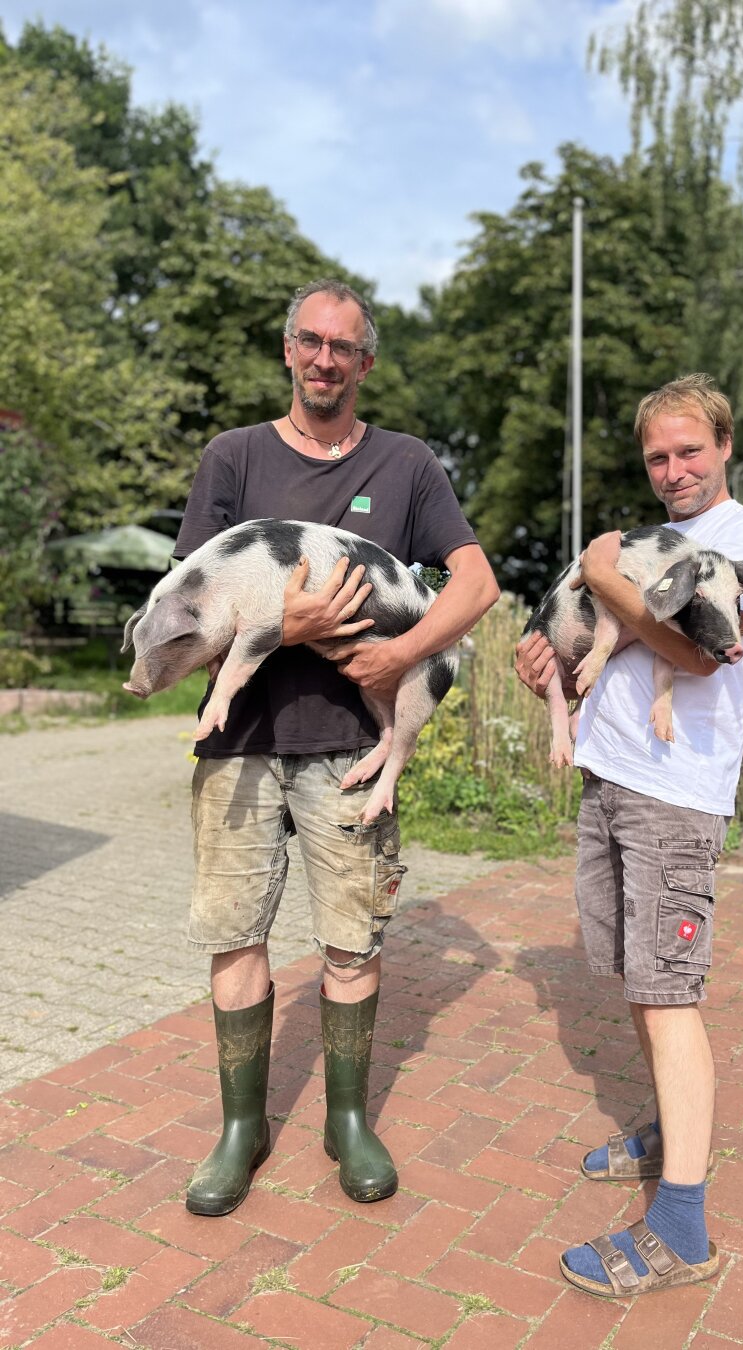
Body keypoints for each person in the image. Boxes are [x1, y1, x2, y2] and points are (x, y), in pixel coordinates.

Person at [174, 279, 499, 1216]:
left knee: (351, 943)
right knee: (235, 936)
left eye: (343, 348)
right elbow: (192, 615)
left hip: (352, 752)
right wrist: (293, 616)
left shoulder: (406, 466)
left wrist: (400, 652)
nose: (324, 360)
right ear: (287, 350)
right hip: (238, 744)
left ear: (366, 362)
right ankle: (241, 1130)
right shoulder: (231, 460)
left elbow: (472, 583)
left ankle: (346, 1119)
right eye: (309, 342)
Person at [515, 374, 743, 1297]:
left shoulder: (742, 542)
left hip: (673, 798)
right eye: (657, 457)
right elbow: (618, 649)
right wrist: (550, 660)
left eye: (688, 452)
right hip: (613, 778)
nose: (672, 471)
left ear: (724, 445)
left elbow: (701, 653)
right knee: (637, 978)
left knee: (668, 996)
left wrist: (597, 573)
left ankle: (680, 1230)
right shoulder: (656, 543)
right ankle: (675, 1130)